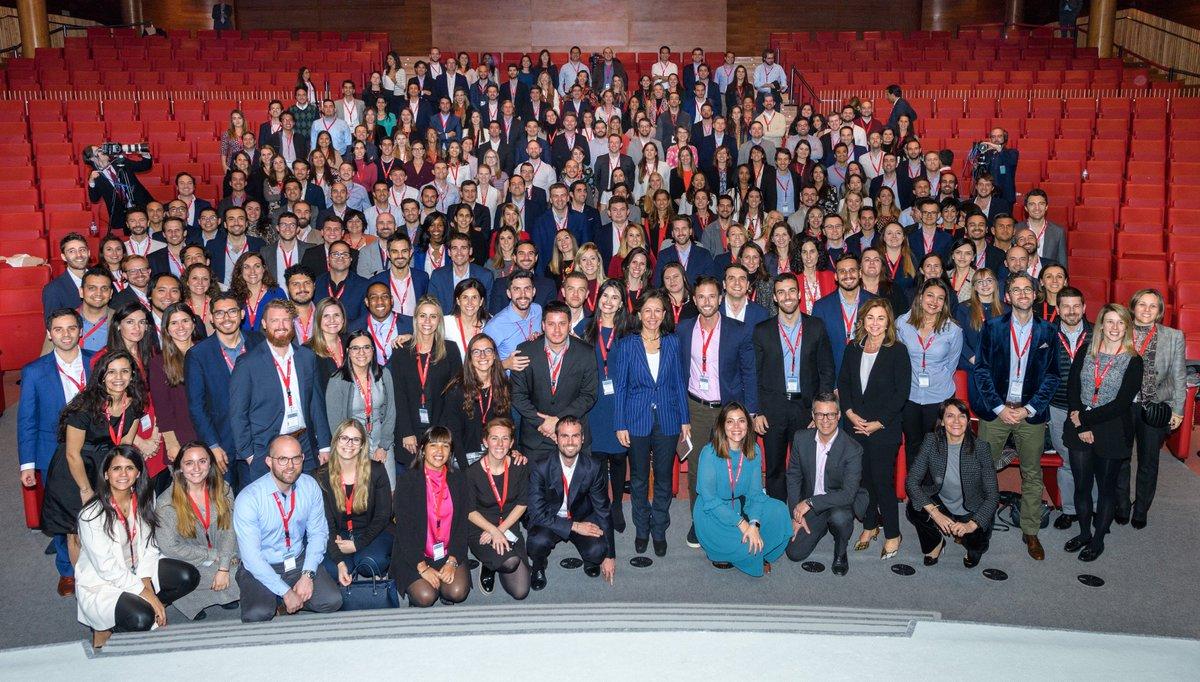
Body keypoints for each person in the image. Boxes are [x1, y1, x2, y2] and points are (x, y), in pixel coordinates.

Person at [970, 273, 1060, 561]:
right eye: (1016, 290)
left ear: (1036, 295)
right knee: (982, 470)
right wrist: (999, 408)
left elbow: (1052, 376)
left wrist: (1028, 409)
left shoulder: (1048, 332)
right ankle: (978, 527)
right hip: (997, 411)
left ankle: (1030, 529)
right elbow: (981, 370)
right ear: (1007, 297)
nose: (1022, 294)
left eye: (1027, 290)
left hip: (1030, 412)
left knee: (1032, 474)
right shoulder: (993, 327)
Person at [77, 447, 199, 649]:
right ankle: (107, 627)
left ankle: (146, 607)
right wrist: (146, 592)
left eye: (129, 468)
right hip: (104, 581)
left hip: (138, 568)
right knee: (142, 619)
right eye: (116, 468)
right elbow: (107, 568)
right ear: (106, 474)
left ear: (138, 473)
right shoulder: (91, 514)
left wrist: (145, 580)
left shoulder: (144, 496)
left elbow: (150, 546)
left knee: (188, 576)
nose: (123, 474)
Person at [676, 276, 759, 548]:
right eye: (701, 297)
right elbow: (678, 374)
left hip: (728, 409)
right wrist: (682, 416)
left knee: (734, 464)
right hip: (696, 407)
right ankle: (699, 521)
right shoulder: (684, 329)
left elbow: (749, 373)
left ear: (720, 298)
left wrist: (751, 412)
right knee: (698, 467)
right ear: (694, 299)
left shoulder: (739, 330)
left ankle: (738, 517)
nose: (707, 302)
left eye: (712, 296)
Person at [20, 308, 95, 595]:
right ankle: (68, 570)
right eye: (59, 329)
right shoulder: (34, 371)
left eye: (71, 328)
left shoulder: (96, 363)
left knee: (96, 508)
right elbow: (27, 419)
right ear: (50, 334)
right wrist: (27, 465)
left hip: (93, 447)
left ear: (80, 331)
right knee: (65, 512)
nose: (66, 334)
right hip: (53, 451)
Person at [1062, 303, 1145, 562]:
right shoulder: (1086, 351)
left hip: (1111, 427)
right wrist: (1080, 421)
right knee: (1082, 486)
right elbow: (1073, 387)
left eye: (1120, 323)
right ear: (1100, 325)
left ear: (1127, 327)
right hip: (1079, 425)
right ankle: (1085, 533)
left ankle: (1098, 540)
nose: (1115, 328)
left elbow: (1122, 403)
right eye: (1109, 322)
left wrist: (1084, 418)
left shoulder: (1133, 360)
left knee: (1106, 489)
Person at [612, 290, 690, 556]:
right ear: (638, 313)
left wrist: (685, 419)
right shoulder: (626, 344)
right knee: (639, 479)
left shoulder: (673, 342)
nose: (653, 316)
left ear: (664, 314)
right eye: (648, 310)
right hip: (636, 419)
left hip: (667, 418)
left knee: (664, 478)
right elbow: (620, 386)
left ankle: (659, 528)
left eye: (658, 310)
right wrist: (620, 423)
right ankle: (642, 529)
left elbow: (679, 382)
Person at [233, 435, 343, 622]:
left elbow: (318, 533)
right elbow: (251, 557)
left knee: (332, 601)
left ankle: (284, 601)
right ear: (269, 461)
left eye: (296, 458)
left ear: (302, 458)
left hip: (297, 561)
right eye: (282, 459)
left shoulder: (310, 486)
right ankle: (278, 597)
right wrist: (285, 591)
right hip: (262, 563)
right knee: (257, 614)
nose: (290, 465)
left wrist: (308, 575)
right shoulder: (249, 498)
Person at [838, 299, 912, 559]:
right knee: (863, 482)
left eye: (881, 318)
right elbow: (844, 384)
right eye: (871, 317)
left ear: (888, 322)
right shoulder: (853, 349)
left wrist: (879, 423)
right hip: (855, 426)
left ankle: (893, 532)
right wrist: (849, 413)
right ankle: (870, 526)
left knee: (882, 483)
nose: (875, 323)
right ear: (863, 320)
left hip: (884, 429)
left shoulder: (898, 351)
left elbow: (901, 393)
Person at [753, 273, 836, 502]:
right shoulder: (762, 330)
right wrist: (757, 411)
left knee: (806, 468)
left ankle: (803, 514)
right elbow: (755, 375)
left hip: (806, 409)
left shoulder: (816, 326)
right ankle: (778, 516)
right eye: (781, 292)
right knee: (775, 469)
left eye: (791, 291)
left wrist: (821, 411)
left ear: (799, 294)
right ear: (775, 298)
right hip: (773, 410)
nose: (787, 296)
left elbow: (826, 371)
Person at [229, 299, 332, 482]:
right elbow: (238, 413)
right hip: (266, 449)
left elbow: (316, 403)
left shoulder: (307, 357)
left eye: (286, 320)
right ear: (264, 324)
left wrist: (324, 445)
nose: (281, 326)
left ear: (292, 323)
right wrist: (249, 454)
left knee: (305, 501)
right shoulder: (248, 363)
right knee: (270, 506)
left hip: (304, 445)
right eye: (274, 320)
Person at [694, 402, 790, 575]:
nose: (736, 427)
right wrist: (743, 524)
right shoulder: (709, 453)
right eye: (730, 421)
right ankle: (746, 550)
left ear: (749, 424)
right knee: (746, 547)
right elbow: (710, 500)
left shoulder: (753, 450)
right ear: (722, 426)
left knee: (780, 511)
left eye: (741, 421)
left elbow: (755, 494)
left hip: (741, 505)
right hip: (713, 512)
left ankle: (756, 548)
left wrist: (754, 523)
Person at [1118, 289, 1187, 528]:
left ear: (1159, 312)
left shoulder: (1174, 336)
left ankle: (1141, 508)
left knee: (1149, 460)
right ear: (1133, 307)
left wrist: (1178, 409)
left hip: (1155, 406)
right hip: (1122, 406)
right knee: (1120, 458)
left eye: (1153, 306)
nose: (1146, 310)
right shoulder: (1119, 330)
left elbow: (1179, 376)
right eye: (1142, 305)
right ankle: (1122, 504)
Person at [904, 399, 998, 568]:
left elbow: (992, 496)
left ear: (968, 422)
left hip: (972, 509)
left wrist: (971, 525)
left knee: (977, 545)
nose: (956, 421)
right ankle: (936, 543)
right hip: (942, 503)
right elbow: (912, 481)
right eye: (950, 416)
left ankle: (969, 542)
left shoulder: (981, 448)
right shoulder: (931, 441)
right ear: (941, 422)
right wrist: (935, 513)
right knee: (914, 508)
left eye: (962, 416)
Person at [185, 292, 263, 489]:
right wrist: (212, 445)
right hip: (222, 445)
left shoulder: (260, 343)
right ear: (210, 318)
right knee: (225, 506)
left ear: (242, 314)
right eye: (219, 313)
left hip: (259, 443)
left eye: (232, 311)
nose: (226, 318)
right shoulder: (197, 354)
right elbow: (196, 406)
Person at [527, 416, 616, 589]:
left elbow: (603, 510)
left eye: (575, 436)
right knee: (536, 542)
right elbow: (537, 513)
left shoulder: (593, 467)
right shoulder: (540, 466)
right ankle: (538, 565)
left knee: (598, 551)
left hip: (581, 515)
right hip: (549, 520)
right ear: (556, 438)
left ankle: (590, 559)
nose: (570, 442)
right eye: (565, 436)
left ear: (582, 439)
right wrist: (574, 526)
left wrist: (609, 555)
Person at [155, 442, 240, 620]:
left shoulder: (224, 490)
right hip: (189, 560)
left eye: (202, 461)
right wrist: (211, 555)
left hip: (223, 555)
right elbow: (170, 547)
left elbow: (229, 530)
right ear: (179, 468)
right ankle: (192, 599)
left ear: (210, 464)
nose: (196, 468)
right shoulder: (166, 503)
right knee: (240, 576)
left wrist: (223, 567)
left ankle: (217, 587)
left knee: (245, 570)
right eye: (189, 463)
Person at [391, 426, 472, 607]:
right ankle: (422, 589)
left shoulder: (458, 479)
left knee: (456, 592)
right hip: (415, 553)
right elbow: (404, 531)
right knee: (426, 597)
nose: (439, 451)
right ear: (422, 449)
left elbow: (461, 527)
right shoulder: (407, 482)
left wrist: (452, 561)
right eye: (433, 445)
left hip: (447, 552)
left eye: (445, 446)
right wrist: (422, 567)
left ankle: (444, 587)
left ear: (451, 451)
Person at [785, 393, 863, 576]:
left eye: (830, 414)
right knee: (794, 553)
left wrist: (810, 503)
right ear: (813, 415)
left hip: (839, 502)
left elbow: (848, 494)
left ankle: (841, 551)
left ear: (839, 415)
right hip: (811, 503)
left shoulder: (852, 448)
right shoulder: (801, 439)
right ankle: (820, 528)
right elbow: (793, 476)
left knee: (840, 518)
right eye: (820, 414)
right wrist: (795, 514)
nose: (825, 420)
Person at [510, 301, 599, 461]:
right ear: (543, 325)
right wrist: (542, 423)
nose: (557, 330)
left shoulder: (586, 352)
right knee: (536, 487)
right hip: (536, 437)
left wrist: (558, 422)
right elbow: (517, 395)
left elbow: (589, 395)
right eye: (551, 324)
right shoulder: (525, 350)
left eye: (562, 324)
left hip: (572, 436)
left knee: (576, 486)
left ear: (569, 324)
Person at [896, 279, 963, 478]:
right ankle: (915, 497)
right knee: (913, 446)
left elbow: (951, 365)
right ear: (920, 297)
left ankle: (934, 495)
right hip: (910, 396)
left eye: (940, 298)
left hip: (939, 397)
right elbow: (898, 359)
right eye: (930, 296)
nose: (934, 302)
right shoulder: (902, 323)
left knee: (936, 447)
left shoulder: (953, 330)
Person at [315, 419, 394, 584]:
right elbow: (325, 522)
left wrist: (358, 544)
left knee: (370, 562)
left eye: (355, 439)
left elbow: (383, 515)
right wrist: (339, 560)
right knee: (333, 567)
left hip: (372, 530)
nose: (349, 444)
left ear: (362, 445)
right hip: (337, 534)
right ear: (336, 441)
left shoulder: (376, 471)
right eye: (344, 438)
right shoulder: (321, 476)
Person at [391, 297, 462, 466]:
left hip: (440, 428)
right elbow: (398, 394)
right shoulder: (402, 351)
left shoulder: (450, 350)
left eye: (433, 316)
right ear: (415, 319)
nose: (427, 321)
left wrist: (442, 432)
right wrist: (406, 431)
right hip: (410, 432)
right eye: (423, 316)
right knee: (415, 484)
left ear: (439, 320)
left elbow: (455, 393)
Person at [466, 417, 531, 598]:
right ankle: (490, 564)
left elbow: (522, 504)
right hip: (481, 529)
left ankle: (494, 562)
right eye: (494, 438)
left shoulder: (519, 467)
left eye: (505, 438)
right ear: (485, 441)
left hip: (508, 526)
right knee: (510, 562)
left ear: (511, 443)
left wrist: (499, 530)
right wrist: (492, 530)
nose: (500, 444)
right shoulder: (471, 473)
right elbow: (469, 511)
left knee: (521, 591)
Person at [326, 332, 398, 487]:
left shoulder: (384, 374)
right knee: (362, 494)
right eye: (355, 348)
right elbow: (336, 424)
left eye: (366, 347)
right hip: (352, 445)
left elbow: (390, 411)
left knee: (389, 491)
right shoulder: (337, 380)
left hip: (381, 441)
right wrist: (350, 449)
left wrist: (383, 446)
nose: (361, 353)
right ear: (347, 352)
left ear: (373, 350)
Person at [1047, 287, 1092, 530]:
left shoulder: (1098, 333)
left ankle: (1092, 506)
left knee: (1089, 459)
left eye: (1076, 306)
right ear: (1058, 309)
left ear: (1084, 308)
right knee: (1065, 459)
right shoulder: (1048, 334)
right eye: (1066, 306)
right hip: (1058, 405)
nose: (1072, 311)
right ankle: (1070, 509)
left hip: (1090, 409)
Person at [810, 253, 873, 377]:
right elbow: (817, 352)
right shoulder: (821, 307)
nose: (848, 275)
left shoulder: (875, 303)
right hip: (834, 379)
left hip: (869, 377)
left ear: (860, 273)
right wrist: (830, 387)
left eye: (852, 270)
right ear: (836, 276)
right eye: (842, 271)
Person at [43, 233, 90, 322]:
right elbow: (53, 326)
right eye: (72, 251)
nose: (79, 255)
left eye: (82, 250)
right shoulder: (53, 289)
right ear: (64, 257)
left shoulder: (102, 279)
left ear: (89, 253)